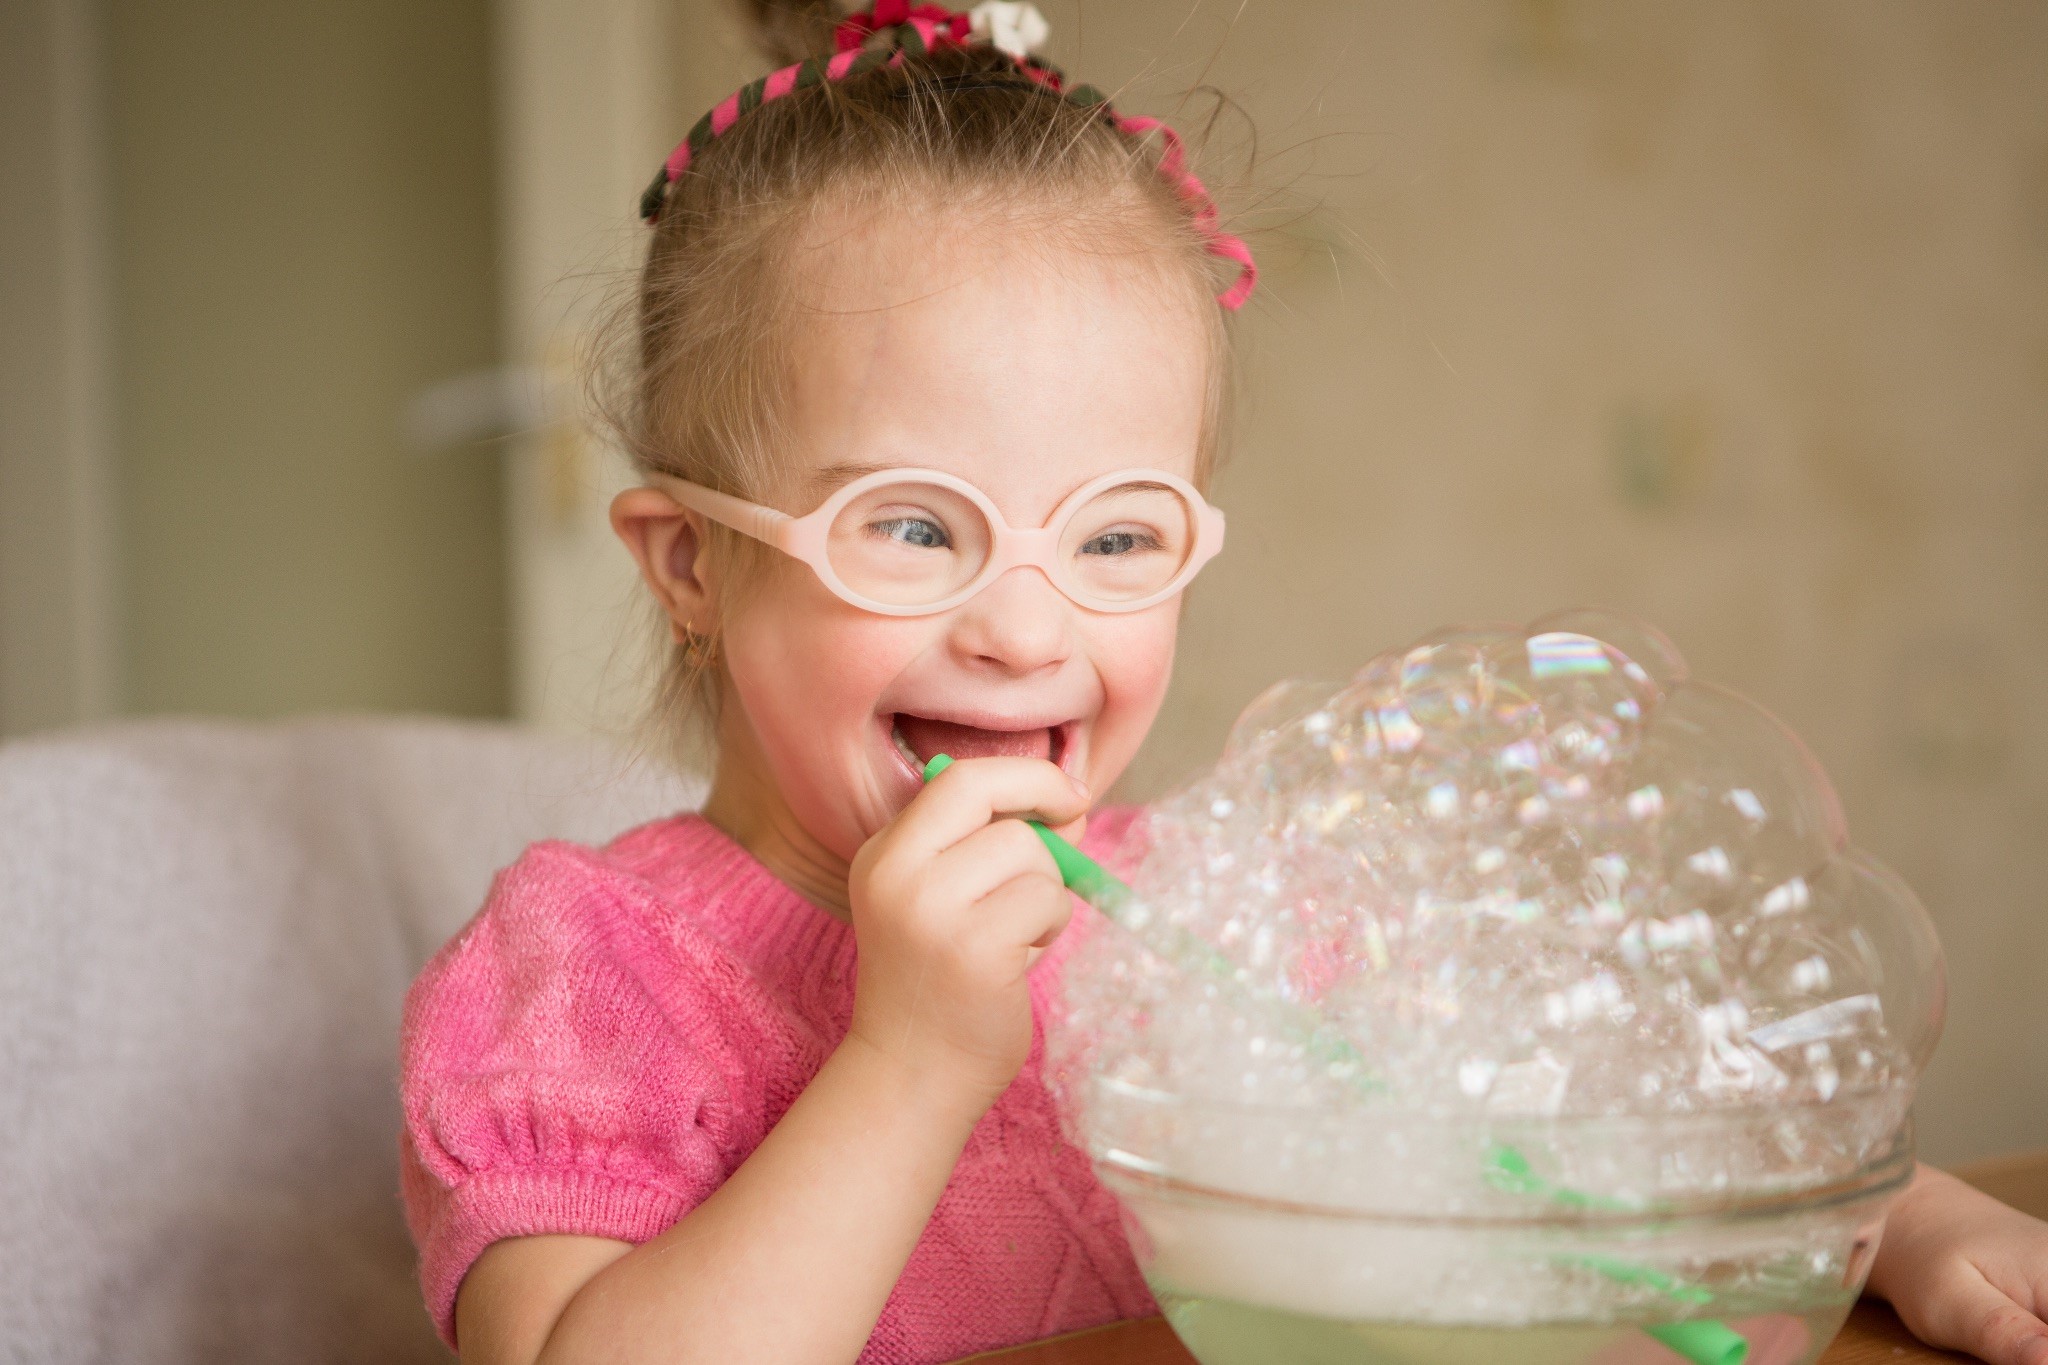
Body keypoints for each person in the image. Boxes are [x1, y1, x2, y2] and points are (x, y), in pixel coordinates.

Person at [398, 4, 2048, 1362]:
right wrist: (909, 1062)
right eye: (915, 528)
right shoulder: (581, 973)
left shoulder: (1214, 919)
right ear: (690, 564)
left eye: (1117, 539)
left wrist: (1914, 1224)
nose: (1027, 633)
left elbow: (1554, 1151)